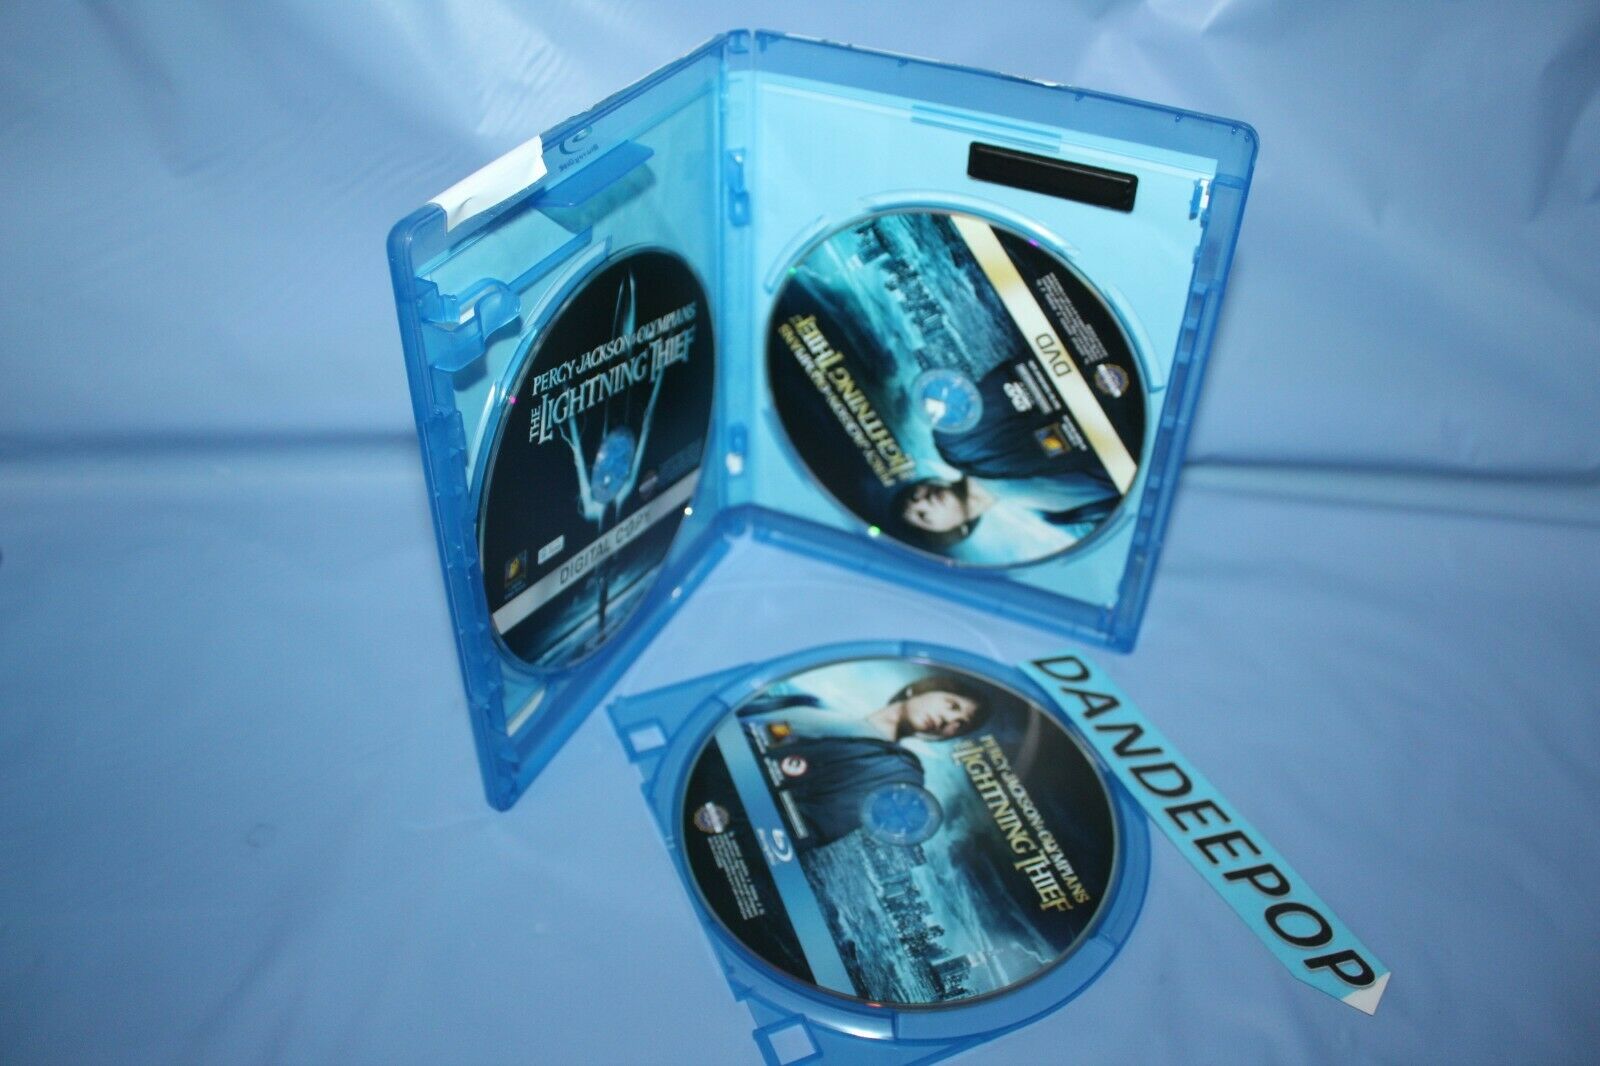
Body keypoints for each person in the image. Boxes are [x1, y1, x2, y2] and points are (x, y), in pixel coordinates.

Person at [887, 358, 1127, 554]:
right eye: (923, 516)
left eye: (913, 495)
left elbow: (1029, 370)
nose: (923, 501)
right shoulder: (1057, 517)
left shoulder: (957, 441)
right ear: (955, 533)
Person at [740, 674, 990, 849]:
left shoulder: (897, 771)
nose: (948, 719)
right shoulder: (814, 703)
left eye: (959, 725)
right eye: (952, 705)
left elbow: (808, 827)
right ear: (919, 689)